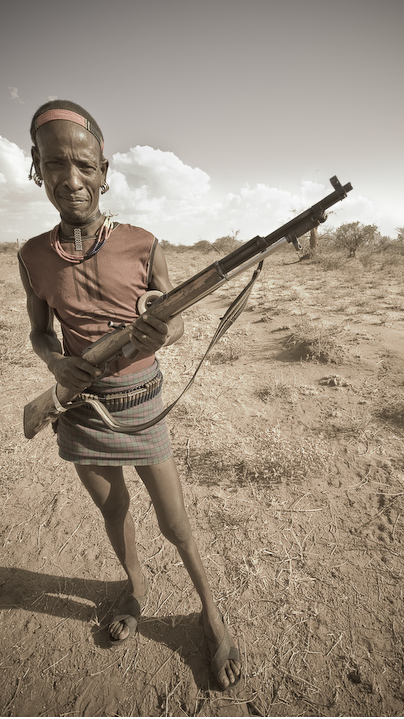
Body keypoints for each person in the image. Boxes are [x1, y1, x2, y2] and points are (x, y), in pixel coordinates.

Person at [18, 100, 241, 690]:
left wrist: (164, 327)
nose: (71, 180)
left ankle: (210, 615)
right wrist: (56, 362)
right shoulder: (32, 255)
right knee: (114, 512)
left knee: (176, 524)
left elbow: (180, 316)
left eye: (84, 166)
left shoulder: (143, 243)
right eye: (55, 165)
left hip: (141, 406)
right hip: (81, 412)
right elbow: (40, 330)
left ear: (105, 170)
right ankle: (136, 590)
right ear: (36, 170)